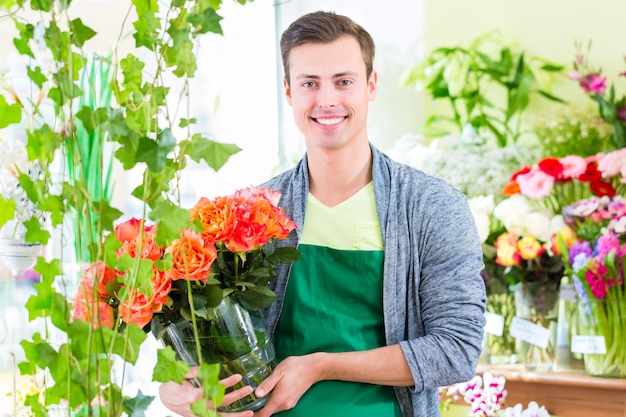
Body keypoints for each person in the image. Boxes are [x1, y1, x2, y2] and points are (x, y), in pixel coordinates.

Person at [160, 10, 486, 417]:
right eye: (309, 83)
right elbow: (210, 339)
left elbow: (456, 350)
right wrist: (177, 390)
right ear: (288, 91)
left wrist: (319, 366)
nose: (326, 100)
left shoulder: (431, 207)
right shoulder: (253, 216)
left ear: (371, 85)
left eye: (343, 81)